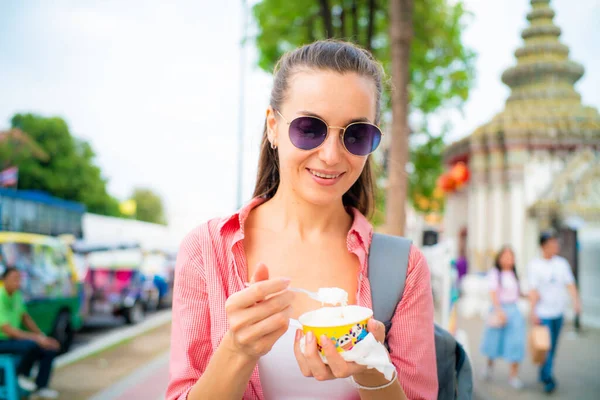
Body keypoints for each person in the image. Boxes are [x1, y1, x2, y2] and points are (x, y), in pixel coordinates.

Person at [166, 40, 437, 400]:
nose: (330, 155)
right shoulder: (207, 250)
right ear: (274, 127)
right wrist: (238, 350)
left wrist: (373, 372)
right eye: (310, 128)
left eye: (356, 134)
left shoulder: (404, 268)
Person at [528, 231, 582, 393]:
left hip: (559, 312)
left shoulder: (561, 264)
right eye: (551, 243)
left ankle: (543, 372)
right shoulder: (535, 265)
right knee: (547, 346)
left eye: (555, 243)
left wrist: (576, 301)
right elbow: (533, 291)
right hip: (543, 313)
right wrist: (533, 312)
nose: (555, 246)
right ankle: (548, 378)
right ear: (543, 246)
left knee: (553, 346)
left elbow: (570, 284)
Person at [0, 267, 61, 399]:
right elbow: (7, 330)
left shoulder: (16, 295)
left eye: (19, 279)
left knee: (49, 348)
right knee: (31, 345)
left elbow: (25, 317)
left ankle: (41, 386)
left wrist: (42, 337)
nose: (18, 283)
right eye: (14, 279)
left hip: (13, 339)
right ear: (4, 280)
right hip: (3, 340)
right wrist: (36, 338)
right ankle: (22, 375)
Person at [479, 246, 526, 389]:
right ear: (499, 258)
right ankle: (488, 367)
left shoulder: (514, 274)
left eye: (511, 257)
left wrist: (530, 295)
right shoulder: (495, 273)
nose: (508, 259)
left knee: (516, 343)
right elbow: (493, 293)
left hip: (514, 311)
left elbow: (518, 293)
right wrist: (499, 310)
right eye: (505, 256)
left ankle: (513, 375)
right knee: (493, 341)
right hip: (499, 310)